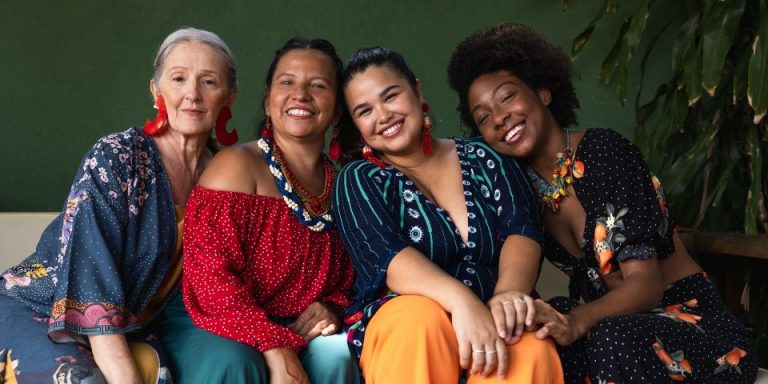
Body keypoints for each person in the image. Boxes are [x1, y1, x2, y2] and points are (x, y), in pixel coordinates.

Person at [447, 22, 758, 383]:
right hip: (614, 329)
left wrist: (576, 321)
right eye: (483, 117)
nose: (500, 117)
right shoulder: (521, 194)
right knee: (538, 329)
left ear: (543, 93)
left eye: (507, 97)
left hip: (691, 324)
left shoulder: (604, 153)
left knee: (608, 335)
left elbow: (646, 286)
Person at [0, 27, 239, 383]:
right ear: (156, 91)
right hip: (41, 306)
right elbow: (90, 282)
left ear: (229, 97)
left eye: (208, 82)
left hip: (131, 325)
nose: (192, 94)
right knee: (79, 380)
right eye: (178, 79)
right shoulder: (118, 157)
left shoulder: (226, 176)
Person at [333, 46, 564, 384]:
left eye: (391, 96)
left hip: (494, 310)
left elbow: (522, 228)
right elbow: (388, 258)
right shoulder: (359, 179)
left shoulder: (485, 156)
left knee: (529, 345)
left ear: (417, 89)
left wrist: (507, 295)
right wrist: (462, 303)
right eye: (365, 111)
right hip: (411, 325)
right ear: (356, 124)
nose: (383, 115)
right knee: (418, 318)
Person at [174, 37, 358, 384]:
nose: (300, 94)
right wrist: (275, 345)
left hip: (299, 325)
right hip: (221, 317)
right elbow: (212, 281)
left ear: (336, 109)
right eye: (287, 82)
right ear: (268, 100)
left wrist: (332, 308)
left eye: (317, 85)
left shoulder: (344, 185)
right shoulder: (236, 167)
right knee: (239, 362)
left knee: (338, 354)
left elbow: (358, 278)